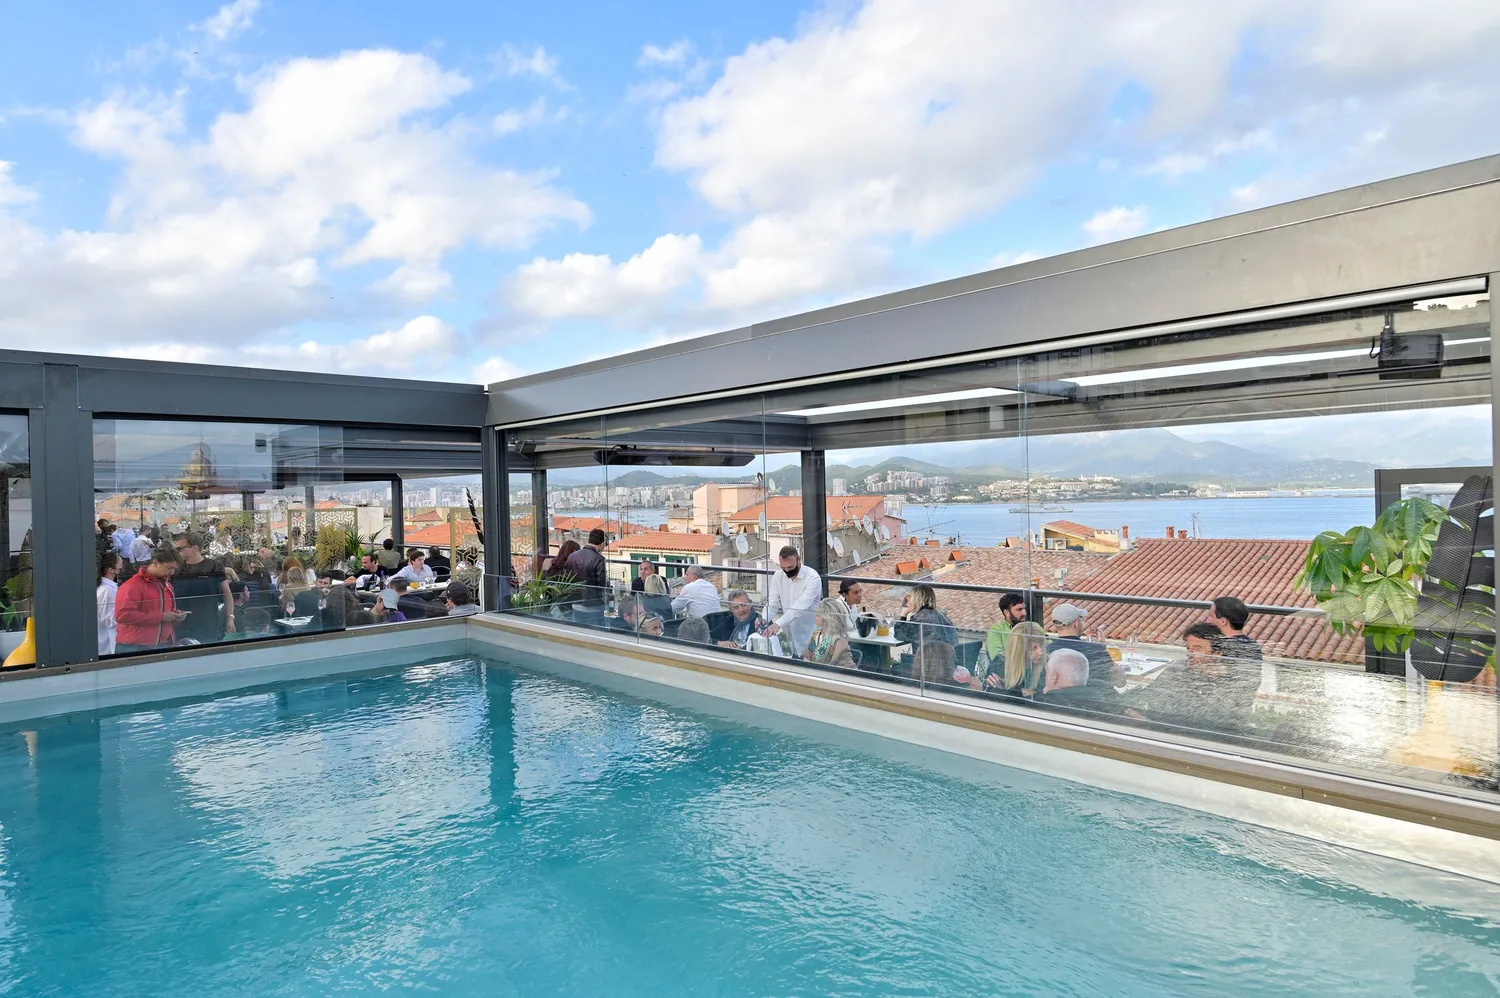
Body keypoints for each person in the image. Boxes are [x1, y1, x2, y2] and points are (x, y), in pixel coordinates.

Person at [115, 545, 188, 652]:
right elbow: (122, 615)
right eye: (169, 568)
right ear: (155, 563)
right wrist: (161, 617)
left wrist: (174, 616)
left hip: (161, 643)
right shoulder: (133, 585)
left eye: (174, 569)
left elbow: (163, 612)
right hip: (135, 646)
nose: (172, 572)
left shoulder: (167, 585)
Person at [1047, 603, 1123, 700]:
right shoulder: (1095, 650)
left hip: (1063, 704)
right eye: (1081, 620)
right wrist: (1101, 648)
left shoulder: (1048, 651)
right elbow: (1120, 682)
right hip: (1100, 706)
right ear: (1076, 623)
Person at [174, 532, 234, 644]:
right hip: (181, 621)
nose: (178, 551)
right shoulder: (177, 568)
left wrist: (230, 618)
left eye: (180, 548)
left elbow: (227, 593)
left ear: (194, 548)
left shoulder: (214, 565)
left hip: (208, 620)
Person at [764, 545, 822, 656]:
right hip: (788, 638)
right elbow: (773, 604)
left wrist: (777, 624)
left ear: (799, 560)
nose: (786, 570)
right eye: (783, 567)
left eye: (790, 567)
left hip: (809, 635)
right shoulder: (778, 576)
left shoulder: (813, 578)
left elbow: (799, 607)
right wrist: (763, 619)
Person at [565, 528, 610, 625]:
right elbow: (601, 584)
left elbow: (567, 579)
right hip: (593, 605)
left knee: (578, 632)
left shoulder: (572, 556)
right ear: (602, 543)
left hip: (576, 602)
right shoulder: (599, 559)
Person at [992, 621, 1047, 695]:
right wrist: (1023, 692)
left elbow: (1048, 697)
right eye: (1034, 648)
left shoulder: (1047, 663)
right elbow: (992, 697)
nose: (1041, 653)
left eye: (1041, 645)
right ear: (1019, 649)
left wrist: (1014, 691)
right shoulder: (1001, 663)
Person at [1036, 648, 1100, 711]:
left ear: (1053, 676)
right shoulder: (1101, 701)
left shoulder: (1045, 704)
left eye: (1047, 672)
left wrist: (1047, 694)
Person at [804, 598, 857, 669]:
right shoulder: (816, 633)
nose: (814, 616)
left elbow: (851, 669)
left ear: (826, 619)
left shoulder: (838, 641)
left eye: (817, 615)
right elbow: (808, 655)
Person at [1209, 596, 1263, 662]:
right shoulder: (1252, 645)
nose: (1208, 619)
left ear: (1223, 621)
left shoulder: (1221, 647)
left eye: (1211, 616)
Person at [985, 593, 1028, 664]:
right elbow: (997, 658)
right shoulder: (996, 631)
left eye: (1024, 609)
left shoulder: (1030, 627)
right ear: (1007, 612)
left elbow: (1048, 647)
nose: (1024, 613)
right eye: (1019, 609)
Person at [96, 550, 122, 656]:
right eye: (120, 568)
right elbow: (108, 619)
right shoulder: (107, 590)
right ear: (111, 570)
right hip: (106, 643)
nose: (121, 570)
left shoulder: (107, 587)